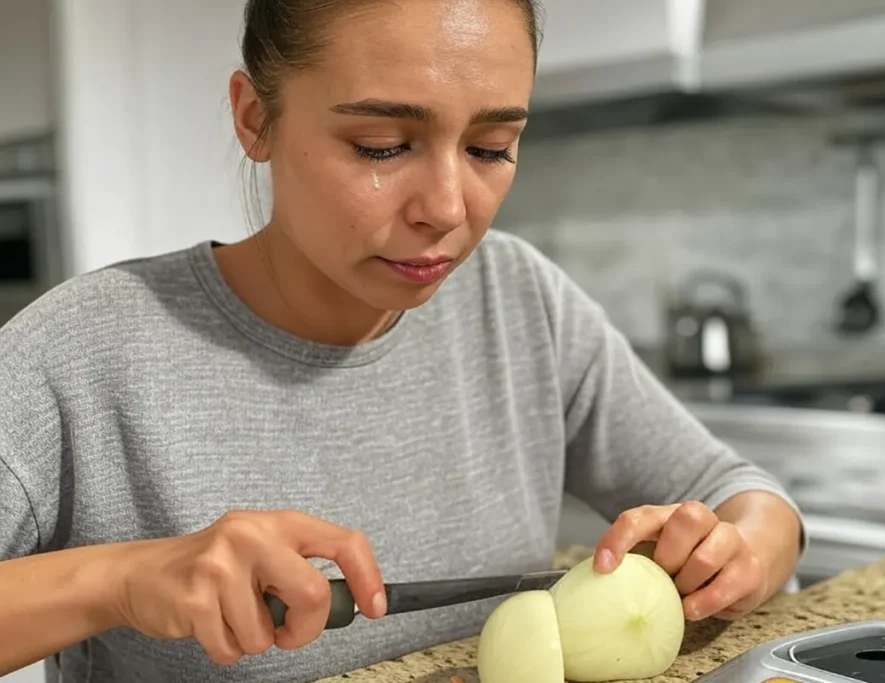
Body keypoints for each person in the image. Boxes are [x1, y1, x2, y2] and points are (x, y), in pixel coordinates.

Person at [0, 0, 805, 681]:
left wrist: (739, 549)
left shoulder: (518, 300)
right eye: (381, 146)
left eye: (491, 148)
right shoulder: (83, 350)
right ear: (254, 117)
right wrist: (119, 580)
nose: (448, 208)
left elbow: (743, 493)